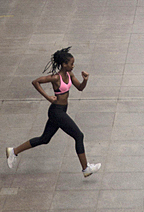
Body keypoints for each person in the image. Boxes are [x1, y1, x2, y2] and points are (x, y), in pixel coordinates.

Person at [6, 47, 100, 177]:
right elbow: (36, 82)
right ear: (64, 64)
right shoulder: (56, 78)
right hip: (57, 112)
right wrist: (48, 97)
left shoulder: (70, 75)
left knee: (44, 139)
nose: (73, 66)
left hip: (61, 111)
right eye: (71, 64)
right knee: (79, 136)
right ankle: (85, 169)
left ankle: (14, 151)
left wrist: (85, 79)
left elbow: (80, 88)